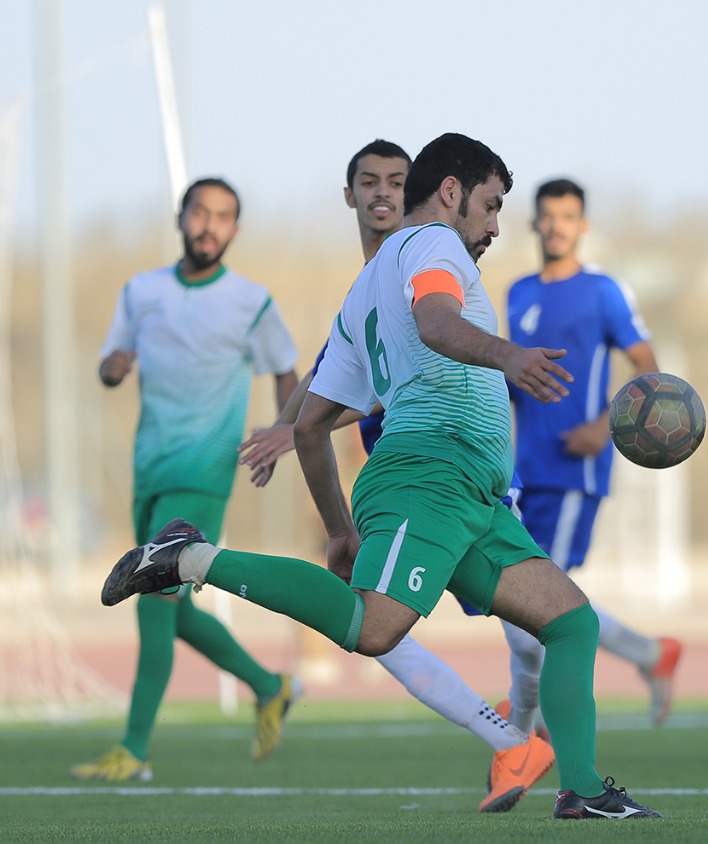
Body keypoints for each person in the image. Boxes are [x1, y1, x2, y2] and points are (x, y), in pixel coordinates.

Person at [101, 133, 662, 820]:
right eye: (490, 205)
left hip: (473, 494)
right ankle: (187, 556)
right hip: (428, 472)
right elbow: (434, 321)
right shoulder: (434, 246)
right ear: (451, 192)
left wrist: (340, 530)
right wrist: (510, 357)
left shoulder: (363, 290)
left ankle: (583, 790)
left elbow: (307, 427)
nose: (494, 225)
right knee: (372, 630)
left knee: (571, 621)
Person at [237, 139, 554, 814]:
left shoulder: (434, 252)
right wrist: (291, 435)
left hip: (463, 459)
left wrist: (295, 431)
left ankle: (523, 730)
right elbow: (329, 382)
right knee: (379, 624)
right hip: (405, 471)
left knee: (530, 631)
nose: (383, 191)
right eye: (368, 182)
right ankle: (511, 741)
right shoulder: (364, 289)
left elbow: (433, 336)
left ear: (424, 189)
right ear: (350, 196)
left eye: (396, 180)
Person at [74, 178, 301, 782]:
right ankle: (269, 686)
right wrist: (114, 365)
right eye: (200, 212)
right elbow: (108, 365)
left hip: (203, 475)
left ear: (235, 229)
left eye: (223, 217)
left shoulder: (250, 301)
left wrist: (282, 432)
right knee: (172, 611)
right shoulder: (140, 291)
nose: (209, 225)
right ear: (181, 216)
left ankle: (135, 751)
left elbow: (287, 368)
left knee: (150, 602)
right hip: (148, 467)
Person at [503, 178, 682, 732]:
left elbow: (649, 369)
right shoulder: (517, 292)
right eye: (547, 216)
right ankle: (650, 655)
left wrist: (606, 426)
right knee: (529, 600)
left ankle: (521, 735)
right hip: (521, 472)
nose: (556, 225)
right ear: (533, 223)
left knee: (533, 604)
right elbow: (515, 378)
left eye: (567, 216)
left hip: (574, 471)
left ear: (582, 225)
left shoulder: (604, 291)